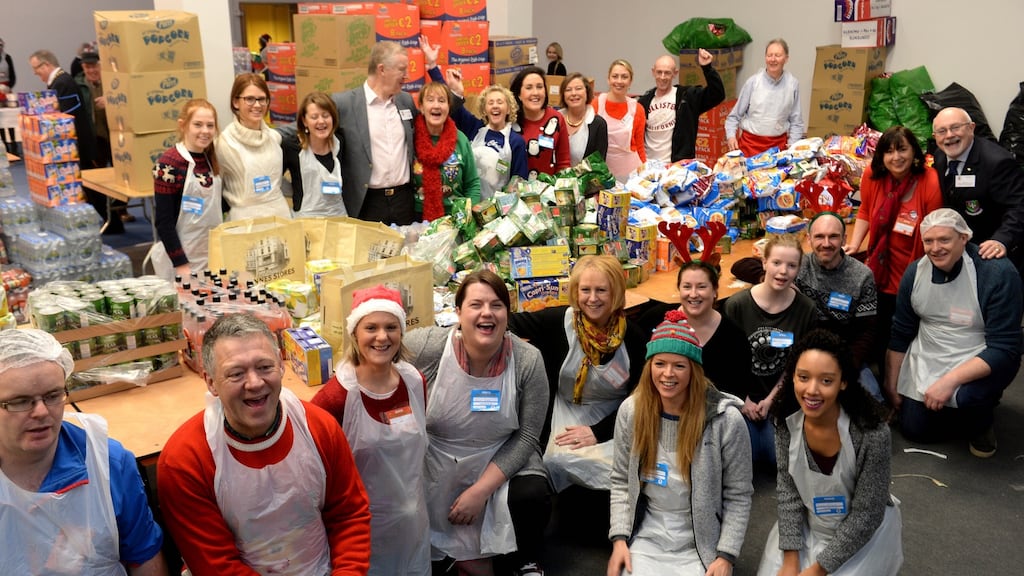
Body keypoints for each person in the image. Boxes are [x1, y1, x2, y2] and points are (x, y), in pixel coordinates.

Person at [156, 313, 372, 574]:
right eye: (236, 373)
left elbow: (349, 516)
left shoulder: (319, 428)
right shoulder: (185, 460)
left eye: (264, 367)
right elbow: (216, 565)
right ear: (210, 382)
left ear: (281, 365)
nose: (255, 383)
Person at [404, 270, 550, 576]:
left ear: (508, 315)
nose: (487, 313)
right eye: (476, 305)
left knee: (532, 492)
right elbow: (379, 356)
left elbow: (526, 437)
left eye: (497, 305)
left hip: (501, 454)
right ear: (458, 312)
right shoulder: (427, 347)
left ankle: (522, 559)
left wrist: (480, 491)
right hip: (436, 456)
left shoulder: (527, 360)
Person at [0, 329, 167, 575]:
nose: (41, 412)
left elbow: (143, 557)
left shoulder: (107, 464)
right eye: (20, 401)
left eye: (53, 395)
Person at [608, 310, 753, 576]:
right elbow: (619, 481)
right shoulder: (632, 411)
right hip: (647, 534)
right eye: (660, 363)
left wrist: (726, 556)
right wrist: (619, 540)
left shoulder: (726, 420)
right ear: (649, 365)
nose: (667, 374)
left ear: (694, 370)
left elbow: (739, 495)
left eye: (679, 365)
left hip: (701, 542)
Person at [757, 329, 902, 576]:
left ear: (843, 381)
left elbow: (866, 515)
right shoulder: (785, 423)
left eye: (826, 380)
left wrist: (818, 569)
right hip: (809, 525)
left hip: (861, 536)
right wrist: (791, 560)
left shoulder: (872, 433)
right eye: (803, 377)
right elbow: (789, 494)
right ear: (792, 377)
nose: (811, 390)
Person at [312, 285, 430, 576]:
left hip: (412, 523)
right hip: (361, 530)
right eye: (371, 328)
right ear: (355, 334)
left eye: (391, 327)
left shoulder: (414, 382)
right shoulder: (336, 397)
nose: (382, 337)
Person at [886, 209, 1023, 457]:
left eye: (945, 240)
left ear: (964, 238)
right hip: (931, 352)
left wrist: (949, 382)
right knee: (914, 429)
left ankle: (981, 419)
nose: (935, 248)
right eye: (928, 241)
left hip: (981, 354)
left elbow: (1005, 347)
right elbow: (901, 332)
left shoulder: (997, 274)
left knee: (969, 397)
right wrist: (892, 383)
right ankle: (960, 412)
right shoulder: (915, 272)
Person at [508, 255, 648, 493]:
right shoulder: (557, 322)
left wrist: (598, 432)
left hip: (617, 417)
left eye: (601, 290)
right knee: (558, 460)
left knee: (633, 466)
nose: (592, 299)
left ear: (616, 292)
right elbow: (508, 322)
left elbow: (641, 398)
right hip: (566, 412)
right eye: (585, 290)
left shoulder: (633, 337)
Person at [844, 126, 941, 367]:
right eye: (888, 151)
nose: (895, 157)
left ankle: (900, 381)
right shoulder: (872, 174)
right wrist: (855, 244)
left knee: (904, 331)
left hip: (913, 267)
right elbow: (865, 209)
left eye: (902, 149)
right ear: (881, 156)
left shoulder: (929, 180)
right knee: (877, 327)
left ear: (914, 152)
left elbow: (934, 228)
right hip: (880, 266)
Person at [723, 235, 817, 467]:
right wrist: (743, 401)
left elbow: (798, 363)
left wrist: (772, 399)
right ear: (764, 263)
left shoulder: (805, 309)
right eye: (776, 263)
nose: (783, 271)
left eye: (791, 265)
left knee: (779, 460)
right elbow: (726, 361)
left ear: (798, 269)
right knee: (744, 459)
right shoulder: (737, 305)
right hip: (741, 397)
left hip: (781, 396)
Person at [421, 37, 528, 199]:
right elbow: (446, 101)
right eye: (490, 102)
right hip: (468, 204)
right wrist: (433, 66)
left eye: (500, 102)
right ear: (484, 109)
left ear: (509, 108)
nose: (495, 106)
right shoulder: (474, 128)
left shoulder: (516, 142)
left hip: (500, 210)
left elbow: (520, 183)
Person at [796, 213, 881, 400]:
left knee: (872, 398)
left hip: (845, 353)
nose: (826, 243)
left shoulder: (862, 276)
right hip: (805, 352)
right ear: (809, 239)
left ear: (844, 239)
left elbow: (867, 331)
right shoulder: (798, 265)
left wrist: (847, 366)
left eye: (833, 236)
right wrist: (768, 278)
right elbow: (744, 266)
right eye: (819, 236)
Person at [638, 260, 751, 398]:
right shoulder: (653, 320)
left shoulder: (734, 336)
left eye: (701, 287)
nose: (693, 294)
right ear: (678, 289)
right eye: (687, 287)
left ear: (715, 290)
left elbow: (738, 388)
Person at [333, 41, 417, 224]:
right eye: (402, 70)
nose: (407, 76)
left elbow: (433, 122)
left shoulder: (406, 101)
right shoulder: (345, 104)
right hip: (367, 203)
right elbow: (309, 119)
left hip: (404, 201)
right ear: (382, 69)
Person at [29, 50, 112, 232]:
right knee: (87, 187)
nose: (36, 73)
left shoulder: (63, 83)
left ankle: (111, 220)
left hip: (79, 145)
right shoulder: (61, 82)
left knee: (92, 186)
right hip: (75, 145)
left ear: (46, 65)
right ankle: (108, 219)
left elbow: (67, 118)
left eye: (36, 68)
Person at [932, 106, 1024, 267]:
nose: (949, 135)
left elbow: (1018, 207)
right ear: (935, 136)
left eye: (955, 127)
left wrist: (1000, 240)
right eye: (942, 131)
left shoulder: (997, 162)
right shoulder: (940, 157)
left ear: (971, 128)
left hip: (990, 252)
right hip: (957, 250)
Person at [149, 99, 223, 282]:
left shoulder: (210, 159)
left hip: (212, 255)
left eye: (210, 125)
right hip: (183, 260)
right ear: (183, 125)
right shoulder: (169, 165)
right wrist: (181, 263)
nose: (205, 131)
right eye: (198, 125)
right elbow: (164, 222)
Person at [217, 73, 291, 221]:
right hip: (244, 223)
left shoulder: (274, 138)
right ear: (236, 102)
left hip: (280, 217)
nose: (257, 105)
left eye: (262, 99)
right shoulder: (224, 144)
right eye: (249, 99)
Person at [638, 51, 726, 164]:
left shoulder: (687, 97)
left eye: (667, 73)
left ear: (675, 73)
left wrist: (707, 67)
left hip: (678, 167)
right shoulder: (644, 101)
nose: (662, 77)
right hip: (649, 166)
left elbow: (717, 94)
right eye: (659, 72)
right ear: (653, 72)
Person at [412, 81, 481, 221]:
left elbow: (472, 183)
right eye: (430, 100)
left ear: (449, 107)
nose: (436, 105)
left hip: (457, 217)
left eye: (442, 101)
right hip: (417, 219)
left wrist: (467, 216)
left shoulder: (461, 139)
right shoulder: (411, 138)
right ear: (421, 107)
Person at [725, 38, 804, 157]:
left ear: (786, 59)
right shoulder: (752, 82)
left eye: (777, 55)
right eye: (769, 55)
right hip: (750, 147)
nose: (773, 59)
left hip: (778, 149)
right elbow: (733, 117)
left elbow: (796, 122)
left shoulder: (792, 84)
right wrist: (731, 137)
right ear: (765, 58)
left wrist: (792, 148)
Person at [281, 91, 347, 217]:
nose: (321, 121)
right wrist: (295, 190)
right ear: (304, 121)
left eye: (326, 115)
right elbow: (276, 179)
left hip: (339, 217)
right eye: (314, 117)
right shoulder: (291, 147)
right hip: (306, 219)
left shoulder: (340, 142)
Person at [509, 66, 571, 178]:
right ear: (519, 94)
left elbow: (563, 163)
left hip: (548, 191)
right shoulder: (510, 120)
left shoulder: (556, 119)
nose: (535, 92)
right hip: (514, 191)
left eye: (539, 87)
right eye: (529, 88)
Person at [593, 59, 646, 182]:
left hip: (631, 174)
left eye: (624, 77)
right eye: (615, 76)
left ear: (630, 81)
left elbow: (640, 146)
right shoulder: (596, 104)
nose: (619, 81)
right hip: (602, 173)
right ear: (608, 79)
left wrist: (645, 173)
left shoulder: (637, 109)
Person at [561, 72, 608, 167]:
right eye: (568, 90)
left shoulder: (598, 124)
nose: (573, 93)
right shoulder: (554, 119)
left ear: (587, 92)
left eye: (578, 89)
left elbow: (598, 165)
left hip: (585, 181)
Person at [0, 37, 17, 153]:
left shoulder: (7, 58)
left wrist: (9, 86)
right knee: (1, 120)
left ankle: (14, 145)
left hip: (6, 90)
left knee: (10, 118)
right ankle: (5, 145)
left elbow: (13, 76)